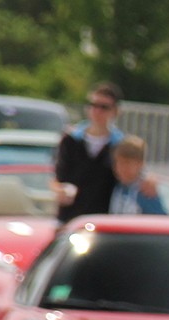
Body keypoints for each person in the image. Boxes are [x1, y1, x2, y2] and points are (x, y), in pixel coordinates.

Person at [55, 82, 127, 223]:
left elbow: (131, 179)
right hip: (70, 220)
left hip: (103, 221)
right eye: (93, 105)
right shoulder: (71, 139)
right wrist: (60, 191)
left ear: (115, 111)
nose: (97, 111)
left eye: (104, 107)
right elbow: (57, 177)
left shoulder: (120, 144)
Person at [108, 138, 167, 215]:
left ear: (140, 163)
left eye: (126, 163)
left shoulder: (146, 191)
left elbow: (159, 220)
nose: (120, 168)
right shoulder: (117, 186)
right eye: (117, 163)